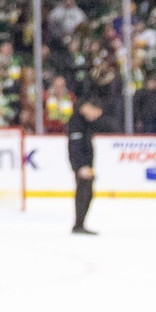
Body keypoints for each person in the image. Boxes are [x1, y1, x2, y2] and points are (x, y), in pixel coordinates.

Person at [67, 98, 104, 234]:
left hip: (86, 164)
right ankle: (78, 225)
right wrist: (80, 166)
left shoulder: (86, 122)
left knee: (88, 194)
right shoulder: (76, 121)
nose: (94, 118)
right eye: (94, 114)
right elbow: (74, 147)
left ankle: (80, 224)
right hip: (82, 165)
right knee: (83, 193)